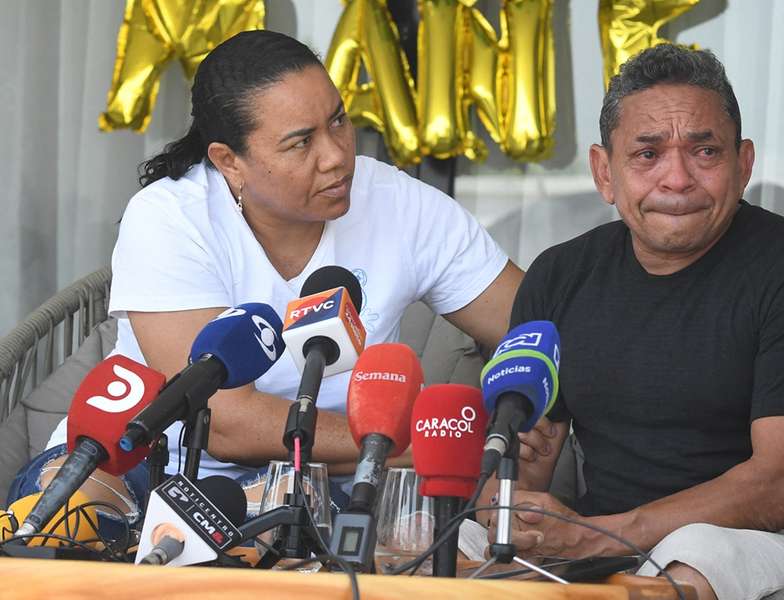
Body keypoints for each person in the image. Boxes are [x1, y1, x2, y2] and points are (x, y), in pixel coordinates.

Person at [8, 30, 522, 527]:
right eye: (301, 143)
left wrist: (533, 418)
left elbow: (533, 326)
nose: (337, 155)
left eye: (338, 120)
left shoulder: (401, 206)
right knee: (70, 526)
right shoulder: (171, 217)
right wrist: (408, 444)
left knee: (420, 544)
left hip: (329, 479)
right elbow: (223, 422)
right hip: (149, 468)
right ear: (230, 162)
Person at [492, 44, 784, 600]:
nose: (677, 179)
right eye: (647, 154)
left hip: (770, 542)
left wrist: (602, 536)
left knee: (693, 559)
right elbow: (532, 457)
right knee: (444, 541)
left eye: (705, 151)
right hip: (606, 540)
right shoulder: (559, 275)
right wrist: (517, 516)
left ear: (743, 166)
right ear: (604, 173)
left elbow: (778, 489)